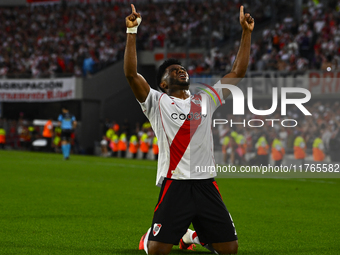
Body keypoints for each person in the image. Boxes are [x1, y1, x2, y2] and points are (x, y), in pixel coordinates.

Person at [124, 4, 253, 255]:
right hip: (177, 184)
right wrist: (132, 32)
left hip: (206, 184)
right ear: (163, 83)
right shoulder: (156, 101)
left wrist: (246, 32)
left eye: (182, 68)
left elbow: (237, 72)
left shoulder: (206, 99)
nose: (181, 70)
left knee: (230, 250)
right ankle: (153, 235)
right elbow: (131, 74)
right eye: (174, 70)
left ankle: (190, 236)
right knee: (158, 250)